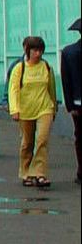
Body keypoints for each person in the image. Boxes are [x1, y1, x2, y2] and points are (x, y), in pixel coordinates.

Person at [7, 35, 59, 189]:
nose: (38, 54)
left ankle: (40, 173)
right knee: (27, 143)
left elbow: (51, 89)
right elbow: (13, 90)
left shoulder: (46, 67)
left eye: (40, 50)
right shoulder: (20, 69)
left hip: (44, 108)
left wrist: (53, 107)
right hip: (25, 111)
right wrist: (14, 109)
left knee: (42, 140)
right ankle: (26, 172)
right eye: (35, 50)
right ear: (27, 50)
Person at [59, 18, 81, 184]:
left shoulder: (68, 52)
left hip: (78, 103)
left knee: (79, 136)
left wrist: (69, 105)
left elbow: (65, 81)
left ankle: (81, 171)